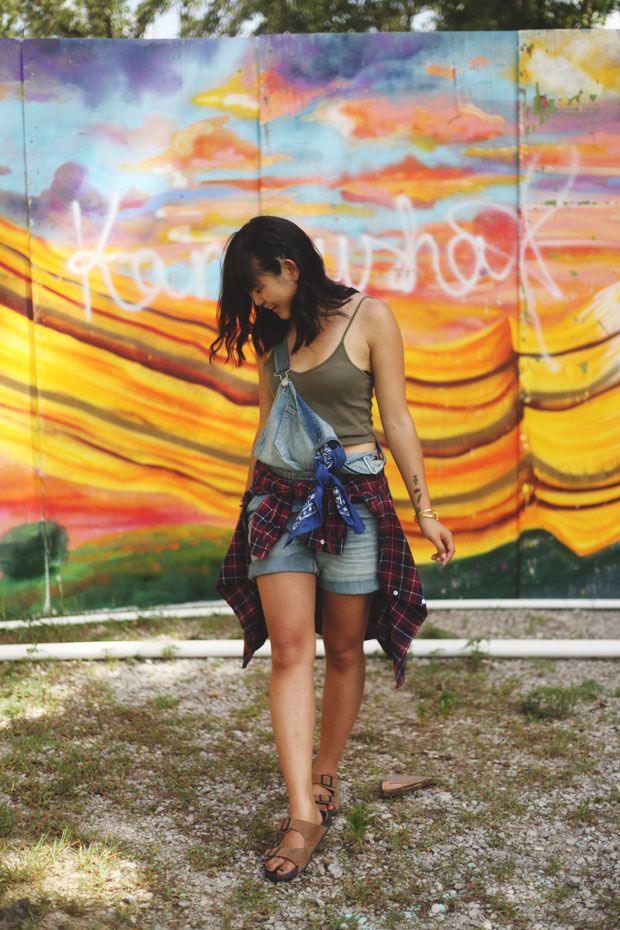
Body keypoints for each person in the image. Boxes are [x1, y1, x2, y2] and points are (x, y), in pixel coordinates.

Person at [209, 215, 455, 883]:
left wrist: (424, 511)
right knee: (290, 647)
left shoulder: (370, 319)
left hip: (356, 503)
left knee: (345, 646)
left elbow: (396, 418)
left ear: (289, 267)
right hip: (278, 504)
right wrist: (248, 512)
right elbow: (266, 434)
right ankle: (302, 815)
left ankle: (325, 769)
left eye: (258, 287)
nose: (257, 303)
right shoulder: (275, 348)